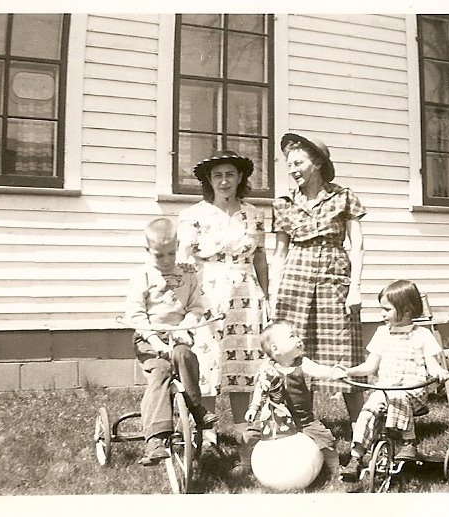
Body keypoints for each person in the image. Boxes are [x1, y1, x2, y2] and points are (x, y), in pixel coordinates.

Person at [271, 132, 367, 421]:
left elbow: (358, 245)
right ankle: (303, 424)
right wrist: (274, 295)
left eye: (298, 163)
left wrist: (355, 288)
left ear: (318, 163)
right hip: (294, 282)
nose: (293, 170)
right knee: (294, 353)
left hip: (334, 280)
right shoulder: (284, 203)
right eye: (289, 164)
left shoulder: (343, 197)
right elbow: (279, 252)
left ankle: (361, 428)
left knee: (346, 352)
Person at [177, 150, 269, 443]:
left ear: (240, 177)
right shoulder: (193, 215)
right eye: (218, 176)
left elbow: (260, 258)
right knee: (207, 357)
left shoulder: (254, 214)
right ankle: (207, 430)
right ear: (209, 180)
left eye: (230, 174)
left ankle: (243, 427)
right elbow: (183, 256)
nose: (224, 181)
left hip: (245, 291)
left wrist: (267, 295)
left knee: (244, 357)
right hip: (207, 289)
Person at [126, 217, 219, 466]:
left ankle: (197, 408)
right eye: (159, 255)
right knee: (162, 371)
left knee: (185, 356)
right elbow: (136, 315)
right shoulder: (143, 276)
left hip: (179, 333)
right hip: (149, 337)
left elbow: (195, 306)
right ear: (148, 250)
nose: (166, 260)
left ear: (177, 247)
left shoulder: (187, 274)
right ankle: (155, 439)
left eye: (171, 253)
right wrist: (155, 341)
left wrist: (183, 327)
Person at [338, 280, 449, 482]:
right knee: (368, 409)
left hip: (413, 392)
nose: (382, 314)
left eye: (386, 309)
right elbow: (370, 366)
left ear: (406, 311)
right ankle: (356, 457)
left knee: (397, 395)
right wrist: (349, 371)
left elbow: (432, 365)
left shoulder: (422, 335)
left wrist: (439, 371)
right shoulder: (382, 333)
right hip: (385, 390)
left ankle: (409, 443)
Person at [237, 320, 346, 477]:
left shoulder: (302, 363)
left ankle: (335, 468)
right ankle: (245, 465)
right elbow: (260, 388)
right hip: (272, 419)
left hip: (302, 419)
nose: (298, 339)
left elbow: (318, 369)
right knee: (248, 436)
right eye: (292, 336)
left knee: (326, 438)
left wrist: (332, 373)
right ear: (275, 349)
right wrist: (254, 407)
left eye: (297, 335)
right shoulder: (267, 368)